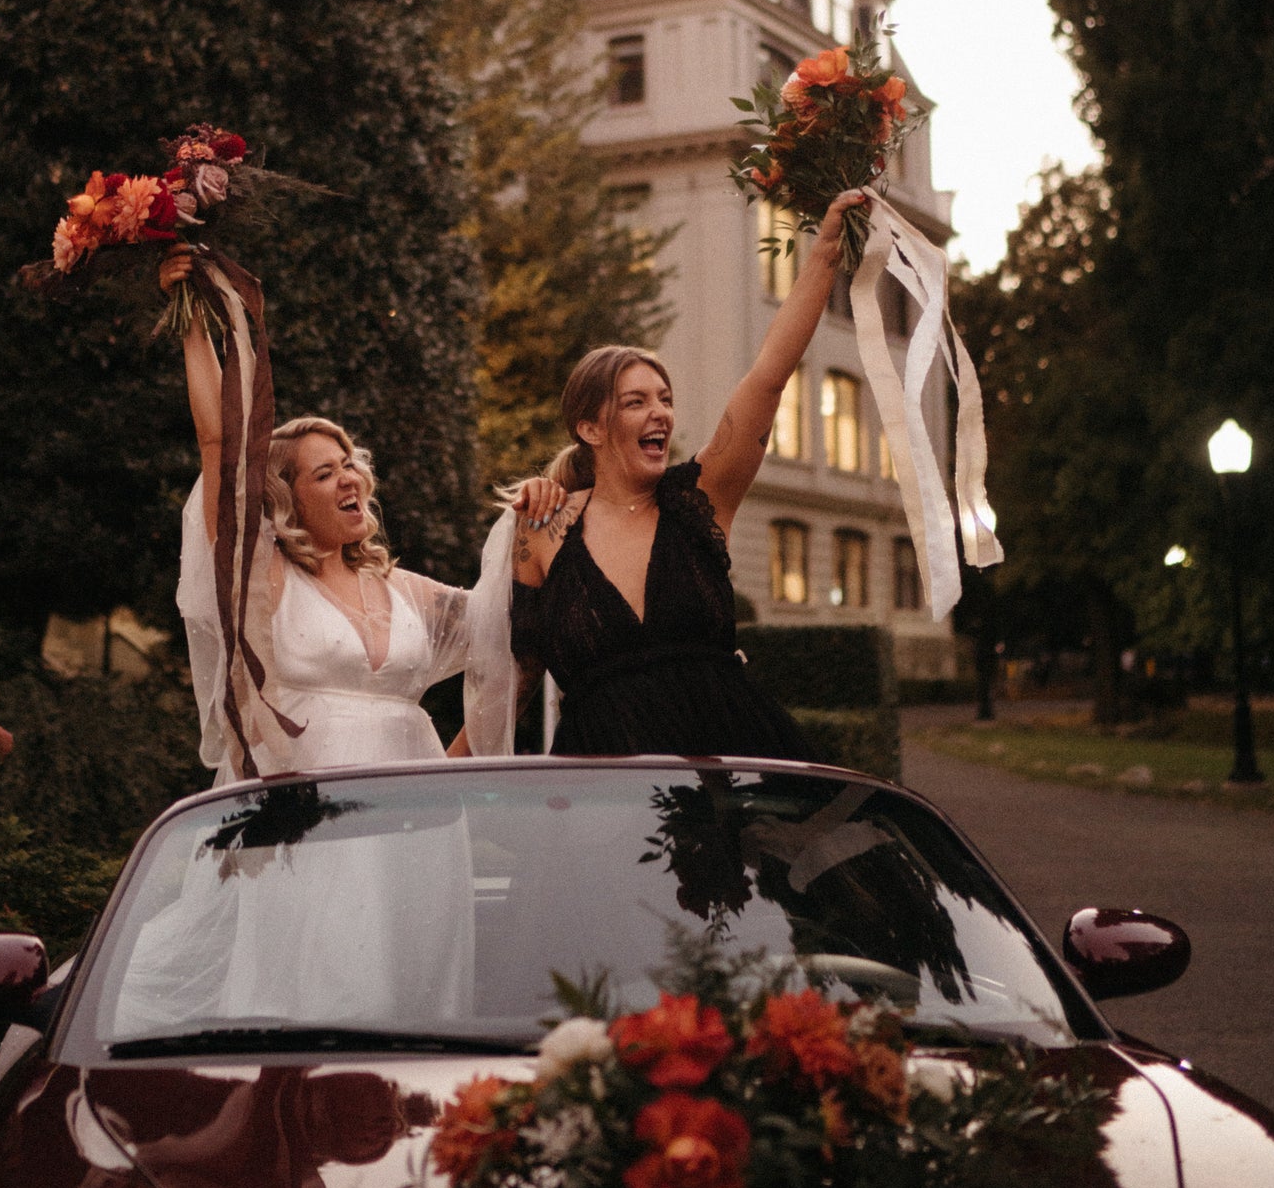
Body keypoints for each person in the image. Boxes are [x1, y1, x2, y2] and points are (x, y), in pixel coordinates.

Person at [160, 250, 561, 778]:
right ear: (286, 500)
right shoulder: (265, 579)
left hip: (415, 819)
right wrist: (191, 318)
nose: (350, 478)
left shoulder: (411, 594)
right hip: (301, 821)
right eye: (324, 474)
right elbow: (220, 443)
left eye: (349, 465)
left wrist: (535, 509)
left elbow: (515, 636)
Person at [511, 190, 869, 758]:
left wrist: (825, 250)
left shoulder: (700, 496)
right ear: (591, 428)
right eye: (635, 402)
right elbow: (519, 675)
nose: (660, 413)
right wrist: (446, 769)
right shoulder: (543, 527)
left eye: (665, 398)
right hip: (602, 780)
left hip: (723, 760)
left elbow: (770, 375)